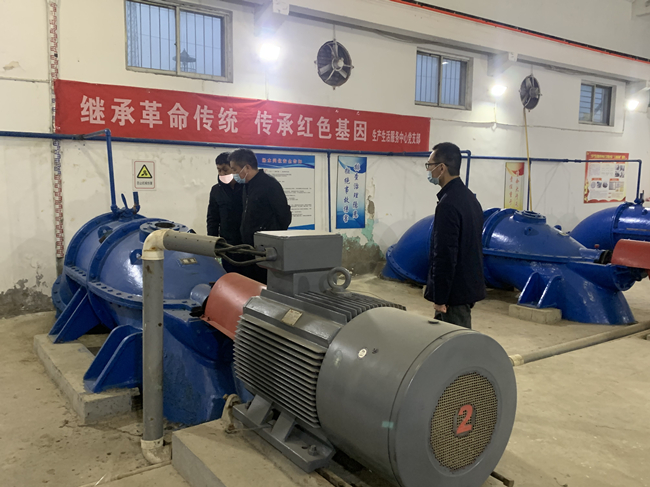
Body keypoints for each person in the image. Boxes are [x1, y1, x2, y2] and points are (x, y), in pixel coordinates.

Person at [423, 142, 485, 329]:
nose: (428, 170)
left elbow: (445, 255)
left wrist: (440, 298)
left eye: (429, 165)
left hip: (452, 296)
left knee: (452, 342)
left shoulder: (448, 204)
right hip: (465, 290)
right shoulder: (470, 199)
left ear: (441, 168)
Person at [229, 148, 292, 284]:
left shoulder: (270, 185)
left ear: (247, 167)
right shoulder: (247, 186)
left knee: (263, 285)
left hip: (265, 251)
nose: (233, 174)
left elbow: (284, 216)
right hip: (249, 248)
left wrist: (271, 239)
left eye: (234, 170)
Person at [206, 151, 245, 273]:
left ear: (233, 168)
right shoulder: (216, 190)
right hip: (227, 244)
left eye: (225, 170)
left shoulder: (247, 188)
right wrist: (212, 242)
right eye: (219, 170)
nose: (222, 174)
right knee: (230, 276)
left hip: (247, 244)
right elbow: (213, 218)